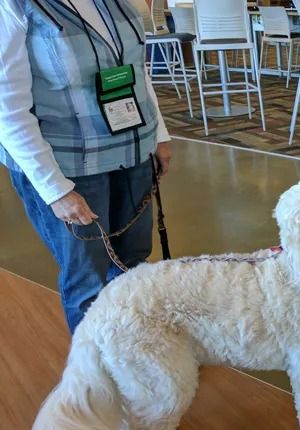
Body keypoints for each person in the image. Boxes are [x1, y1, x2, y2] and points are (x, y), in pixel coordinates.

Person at [0, 0, 172, 333]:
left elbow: (135, 70)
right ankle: (97, 377)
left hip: (132, 152)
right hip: (67, 167)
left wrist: (158, 135)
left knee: (133, 265)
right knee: (87, 282)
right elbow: (7, 108)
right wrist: (54, 189)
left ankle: (137, 350)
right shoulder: (14, 6)